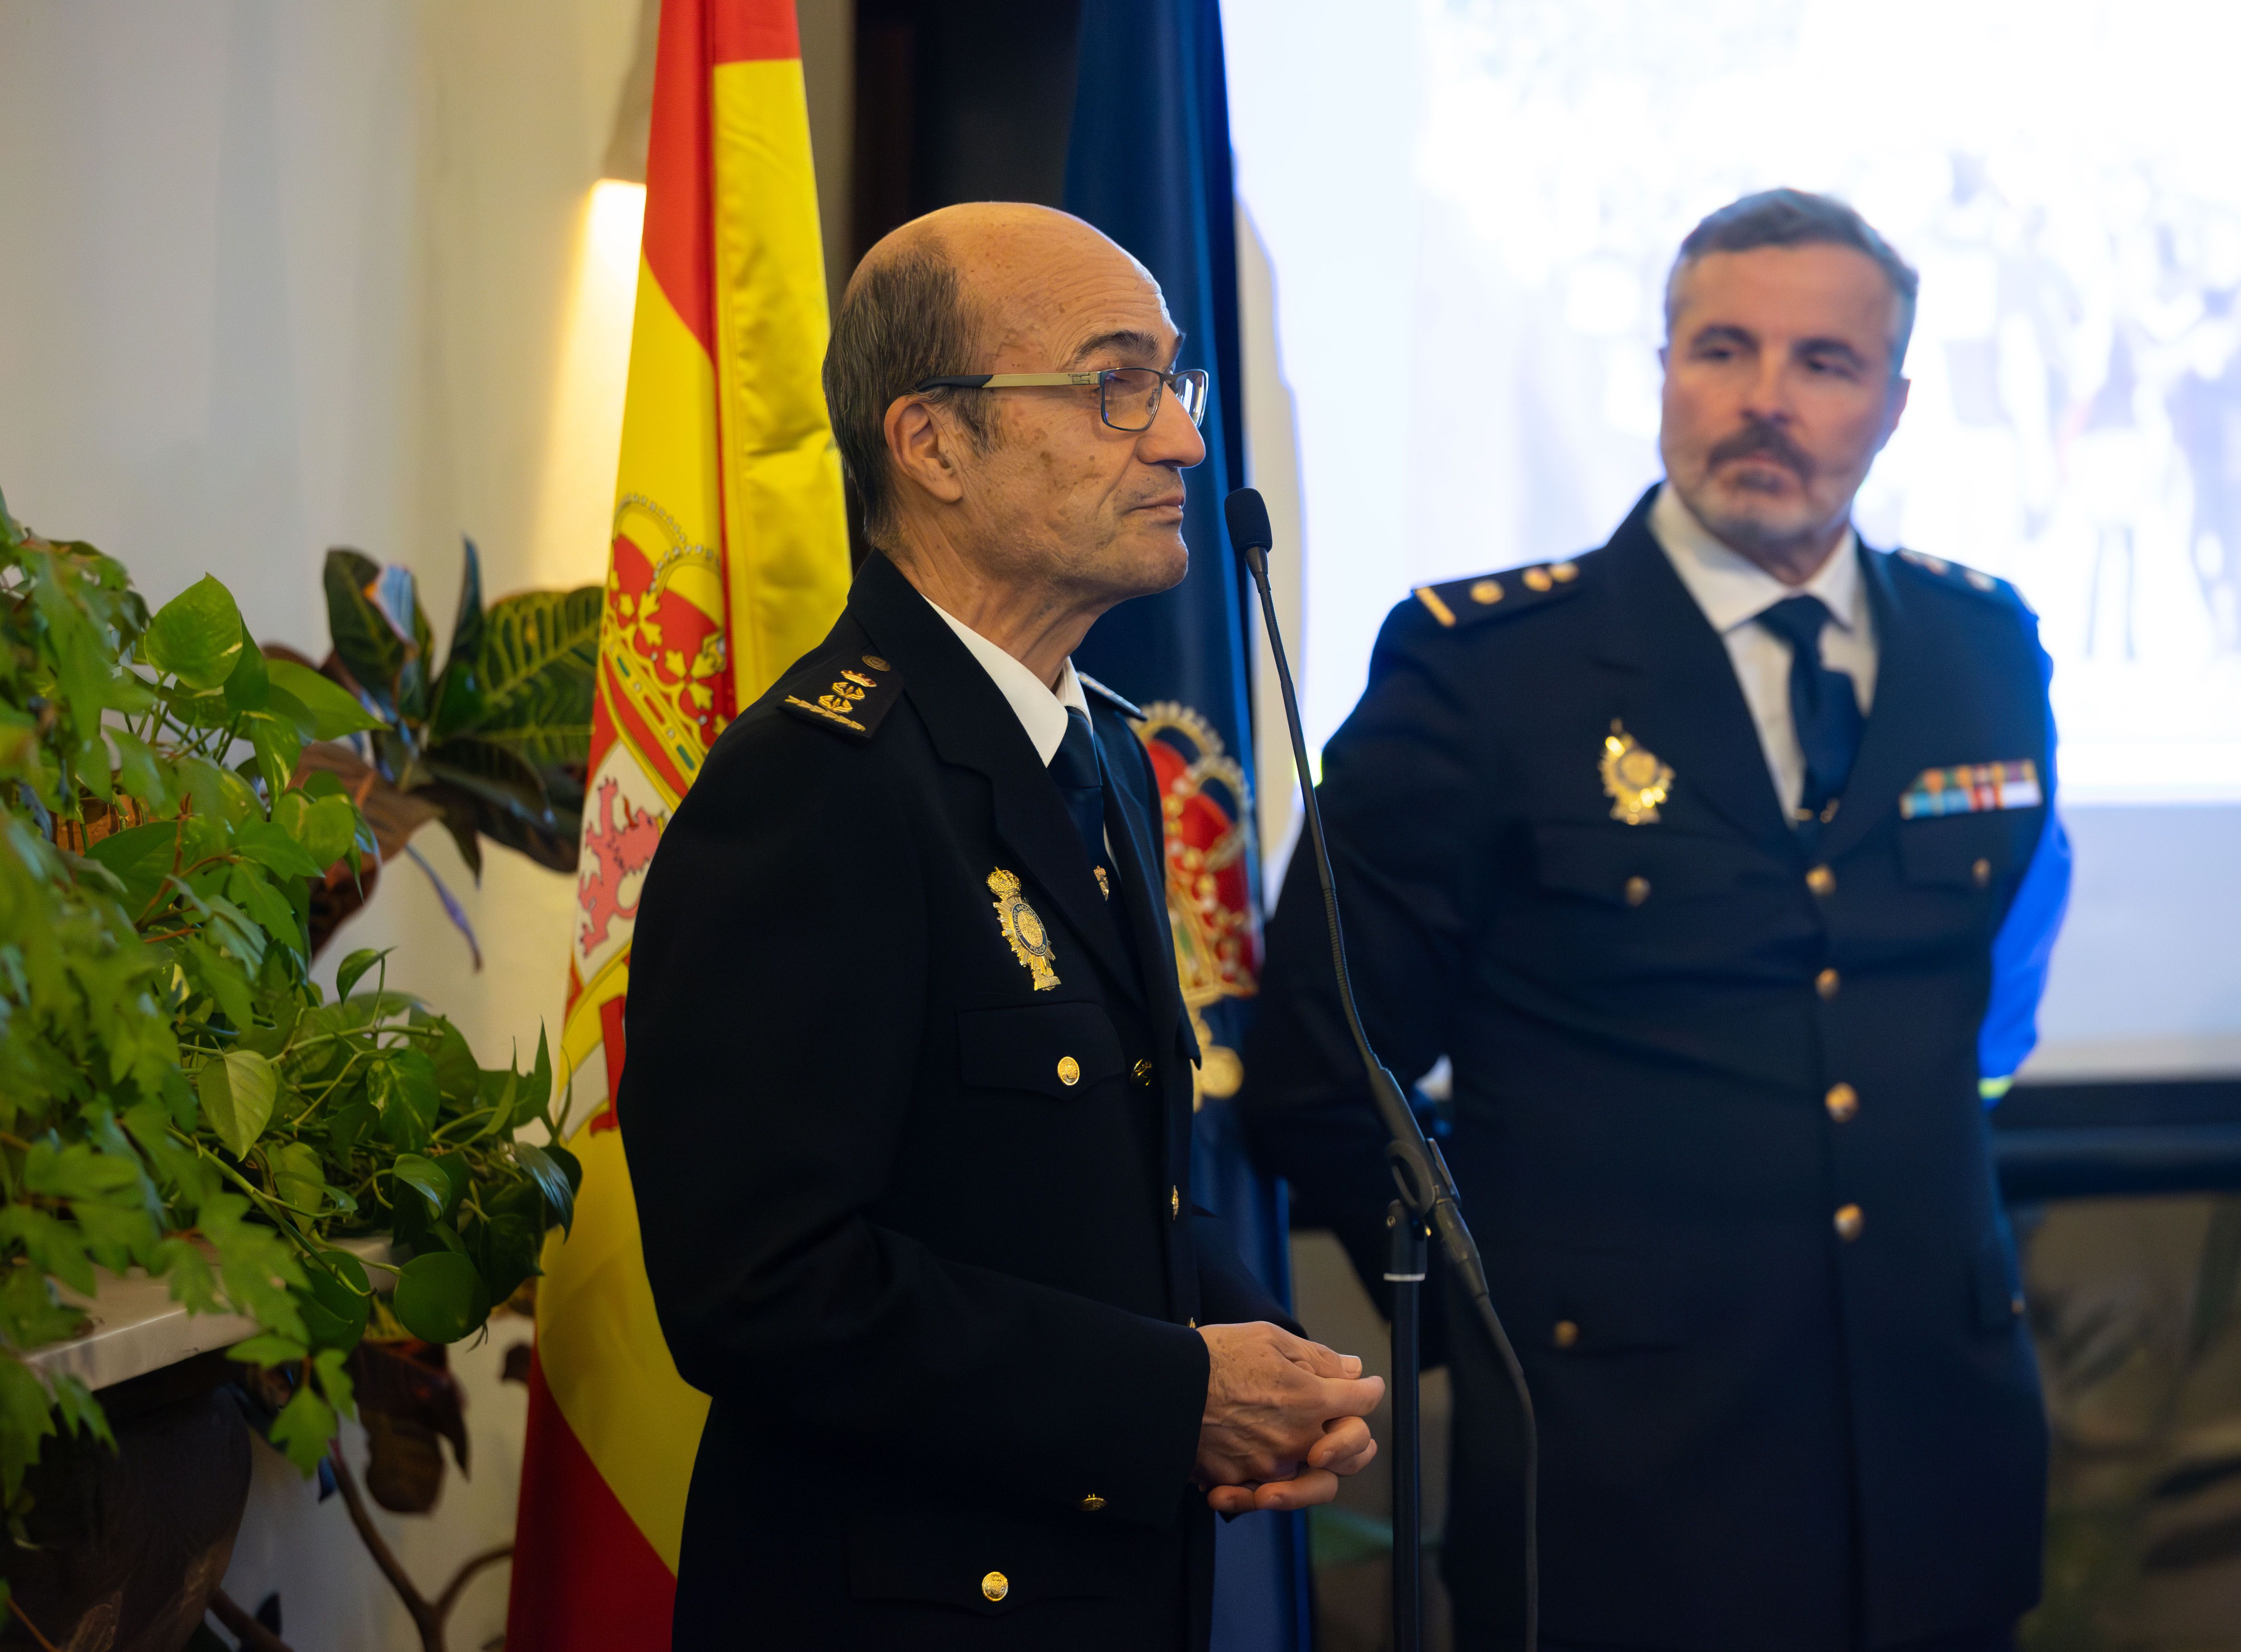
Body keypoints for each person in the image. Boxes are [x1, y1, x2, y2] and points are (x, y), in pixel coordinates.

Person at [1243, 188, 2074, 1652]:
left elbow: (1983, 1006)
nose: (1765, 402)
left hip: (1941, 1462)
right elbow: (1328, 1072)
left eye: (1823, 364)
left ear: (1893, 402)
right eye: (1721, 351)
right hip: (1617, 1482)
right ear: (1664, 371)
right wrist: (1512, 1329)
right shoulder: (1490, 670)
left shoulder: (1984, 648)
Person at [623, 202, 1384, 1651]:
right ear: (934, 444)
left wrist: (1272, 1371)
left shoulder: (1096, 753)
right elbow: (759, 1289)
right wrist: (1176, 1398)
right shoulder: (816, 786)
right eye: (1116, 385)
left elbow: (1098, 1187)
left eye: (1174, 384)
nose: (1179, 441)